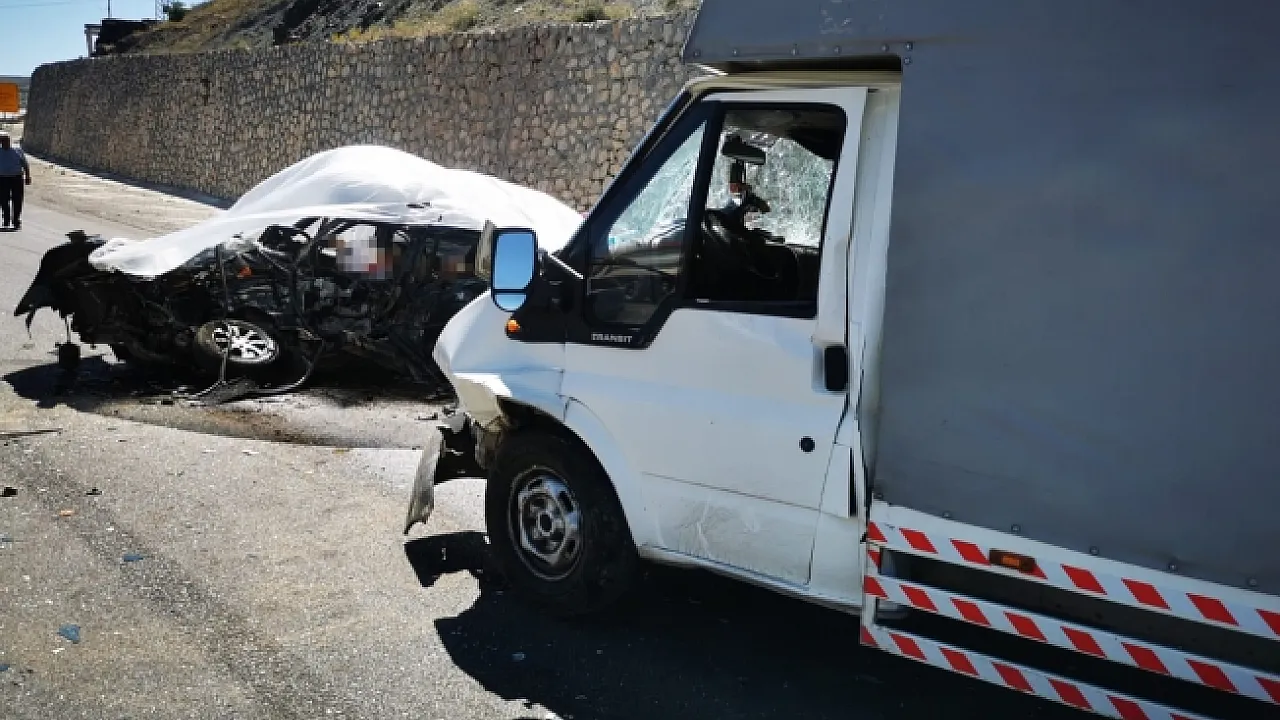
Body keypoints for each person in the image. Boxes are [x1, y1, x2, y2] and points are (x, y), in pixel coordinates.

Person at [0, 130, 32, 230]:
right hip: (3, 178)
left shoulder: (17, 150)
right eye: (2, 140)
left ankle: (16, 221)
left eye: (6, 140)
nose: (4, 142)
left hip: (17, 178)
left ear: (9, 140)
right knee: (3, 200)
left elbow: (25, 164)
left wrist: (27, 176)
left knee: (17, 200)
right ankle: (6, 220)